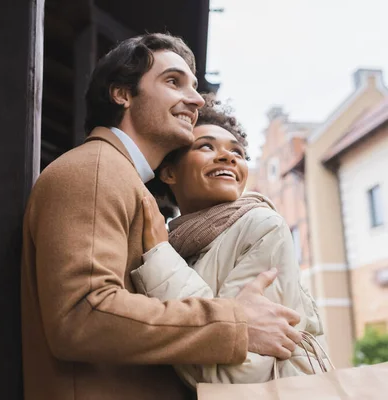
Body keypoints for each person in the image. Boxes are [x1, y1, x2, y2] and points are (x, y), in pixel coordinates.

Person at [20, 33, 302, 400]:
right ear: (121, 93)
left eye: (195, 87)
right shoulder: (94, 171)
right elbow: (83, 315)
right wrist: (235, 323)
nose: (197, 99)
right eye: (173, 82)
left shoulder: (120, 178)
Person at [133, 95, 327, 387]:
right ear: (169, 172)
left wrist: (161, 260)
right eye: (206, 146)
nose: (228, 157)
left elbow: (236, 375)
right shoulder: (175, 245)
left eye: (237, 151)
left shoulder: (261, 227)